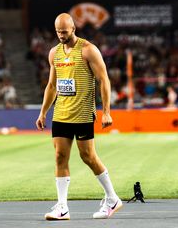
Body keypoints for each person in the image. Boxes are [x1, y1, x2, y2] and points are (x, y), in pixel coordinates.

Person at [36, 13, 122, 221]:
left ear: (73, 29)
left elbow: (104, 80)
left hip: (83, 113)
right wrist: (43, 111)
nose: (61, 36)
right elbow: (52, 85)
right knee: (59, 157)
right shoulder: (54, 53)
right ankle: (62, 207)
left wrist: (107, 112)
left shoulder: (88, 50)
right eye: (58, 32)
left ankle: (112, 198)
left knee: (88, 157)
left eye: (64, 32)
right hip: (61, 114)